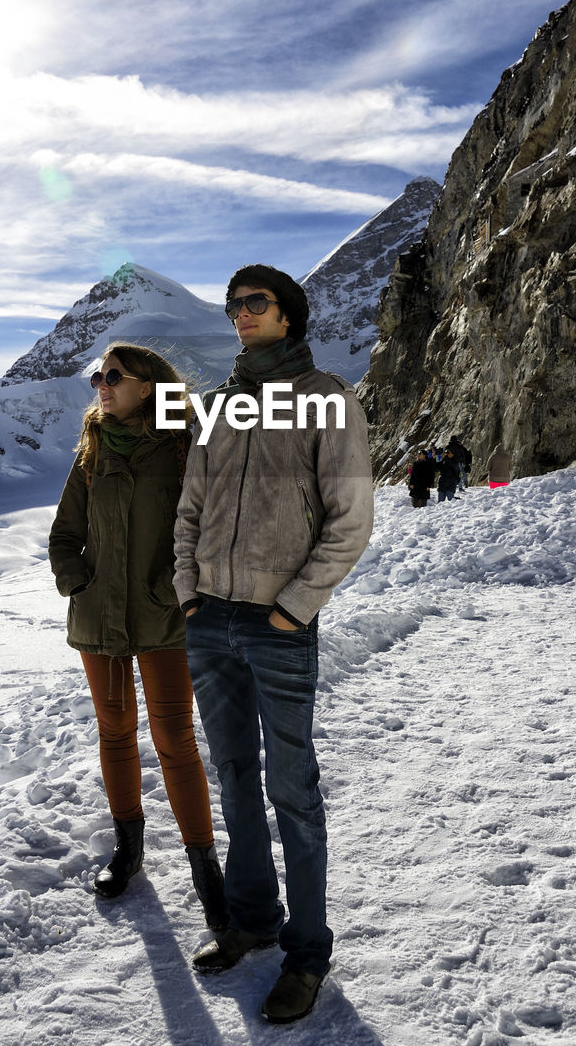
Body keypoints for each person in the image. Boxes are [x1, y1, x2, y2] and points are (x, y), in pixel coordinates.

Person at [174, 264, 374, 1025]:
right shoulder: (219, 406)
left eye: (255, 304)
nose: (240, 315)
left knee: (292, 790)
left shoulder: (328, 399)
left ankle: (307, 950)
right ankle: (252, 920)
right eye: (232, 306)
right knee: (231, 773)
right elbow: (191, 508)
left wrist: (294, 607)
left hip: (278, 623)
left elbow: (349, 516)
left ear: (288, 316)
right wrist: (187, 591)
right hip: (209, 620)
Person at [48, 343, 226, 931]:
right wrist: (78, 580)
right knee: (115, 730)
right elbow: (65, 530)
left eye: (114, 377)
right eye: (97, 376)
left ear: (147, 386)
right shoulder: (93, 447)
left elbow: (210, 528)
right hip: (99, 615)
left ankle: (205, 868)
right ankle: (129, 848)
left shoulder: (185, 445)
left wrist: (175, 585)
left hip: (163, 614)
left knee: (175, 737)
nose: (101, 384)